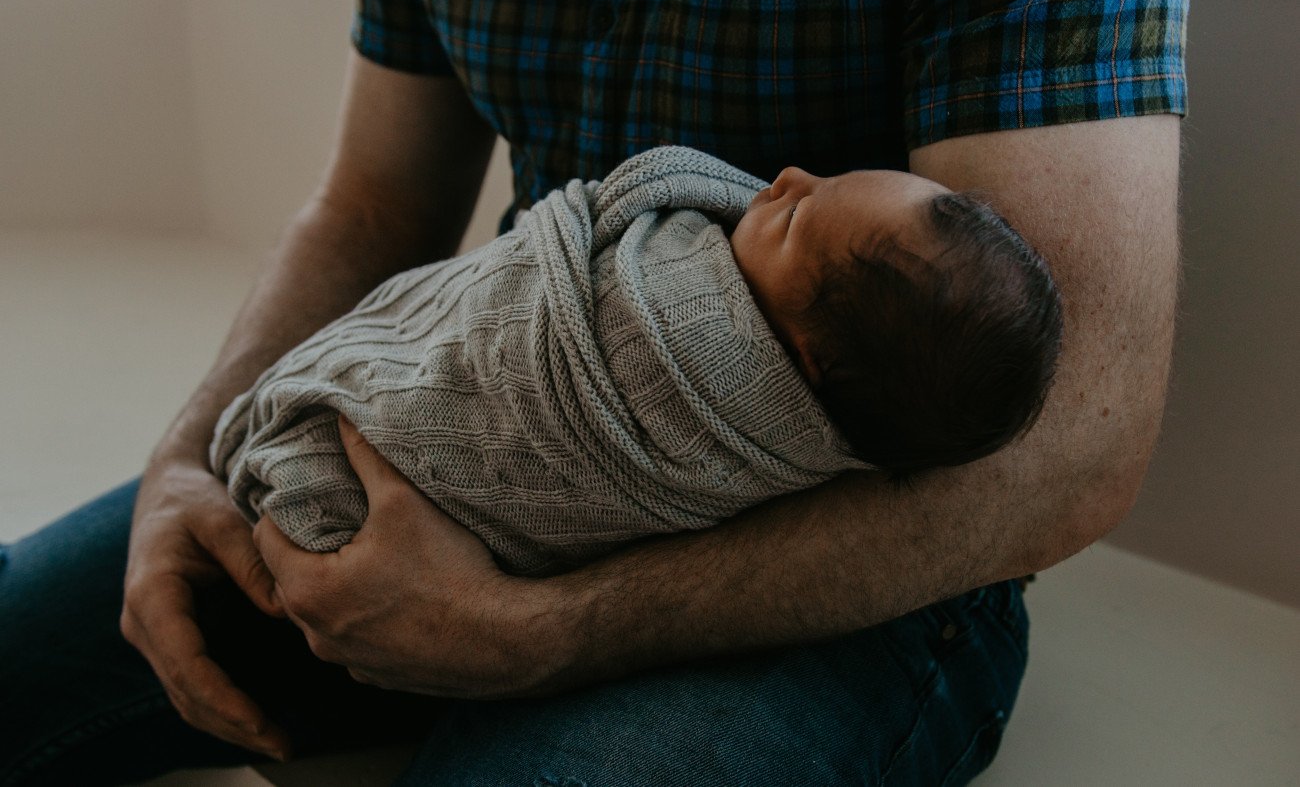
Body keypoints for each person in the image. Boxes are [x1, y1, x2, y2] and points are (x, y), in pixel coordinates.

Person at [0, 0, 1187, 783]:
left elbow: (1074, 439)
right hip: (468, 425)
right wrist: (186, 463)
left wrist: (544, 632)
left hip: (834, 567)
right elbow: (371, 212)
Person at [212, 146, 1062, 574]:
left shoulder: (676, 334)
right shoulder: (848, 408)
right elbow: (371, 203)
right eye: (818, 182)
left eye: (798, 219)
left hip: (399, 463)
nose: (788, 177)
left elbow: (536, 368)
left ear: (800, 361)